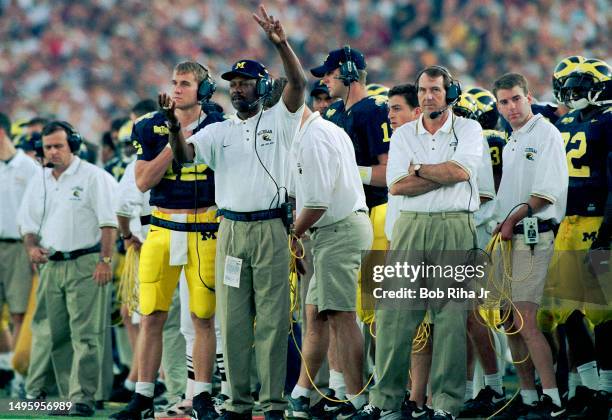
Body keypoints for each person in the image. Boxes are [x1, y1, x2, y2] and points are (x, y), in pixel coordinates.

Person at [167, 6, 306, 419]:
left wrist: (281, 43)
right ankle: (237, 403)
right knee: (233, 323)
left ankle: (273, 403)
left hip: (269, 230)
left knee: (273, 322)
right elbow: (183, 157)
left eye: (246, 83)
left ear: (263, 86)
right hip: (229, 230)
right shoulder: (219, 129)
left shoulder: (280, 119)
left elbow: (297, 82)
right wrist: (174, 130)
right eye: (234, 83)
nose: (238, 89)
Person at [363, 65, 483, 420]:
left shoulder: (469, 128)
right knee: (394, 315)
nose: (428, 96)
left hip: (454, 225)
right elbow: (396, 186)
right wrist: (440, 174)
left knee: (450, 318)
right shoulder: (402, 135)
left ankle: (445, 404)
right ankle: (385, 401)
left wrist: (419, 171)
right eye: (423, 90)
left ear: (450, 92)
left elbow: (461, 172)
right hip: (412, 226)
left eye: (435, 89)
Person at [110, 61, 225, 420]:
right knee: (152, 315)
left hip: (205, 227)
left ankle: (202, 395)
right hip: (162, 227)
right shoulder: (149, 125)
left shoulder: (220, 124)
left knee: (202, 316)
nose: (176, 89)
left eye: (185, 83)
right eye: (174, 82)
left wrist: (184, 134)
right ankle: (143, 394)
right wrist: (175, 137)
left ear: (203, 90)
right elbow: (143, 181)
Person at [18, 121, 118, 417]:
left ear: (73, 145)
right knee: (57, 335)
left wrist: (105, 261)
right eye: (47, 147)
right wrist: (31, 247)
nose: (53, 151)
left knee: (86, 335)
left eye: (58, 145)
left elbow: (108, 223)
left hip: (86, 262)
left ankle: (84, 397)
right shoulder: (40, 180)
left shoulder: (93, 177)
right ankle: (67, 397)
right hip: (51, 264)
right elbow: (27, 223)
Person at [312, 48, 391, 405]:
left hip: (372, 214)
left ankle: (376, 392)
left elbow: (388, 173)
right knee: (335, 310)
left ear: (348, 72)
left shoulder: (373, 111)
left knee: (371, 312)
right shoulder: (333, 113)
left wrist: (346, 175)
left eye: (329, 74)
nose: (325, 81)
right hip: (337, 219)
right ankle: (343, 391)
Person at [285, 105, 373, 419]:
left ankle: (357, 400)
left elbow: (318, 202)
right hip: (329, 232)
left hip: (339, 229)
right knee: (316, 316)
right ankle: (301, 395)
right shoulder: (319, 132)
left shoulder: (314, 138)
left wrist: (291, 234)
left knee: (342, 316)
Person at [489, 73, 568, 419]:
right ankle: (527, 395)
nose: (511, 107)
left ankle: (551, 396)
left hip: (533, 233)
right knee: (509, 319)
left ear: (529, 96)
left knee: (526, 317)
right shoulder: (512, 141)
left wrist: (510, 220)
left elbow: (545, 193)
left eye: (516, 99)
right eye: (504, 101)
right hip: (509, 236)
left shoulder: (546, 132)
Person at [549, 58, 612, 418]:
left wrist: (607, 227)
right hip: (568, 225)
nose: (573, 94)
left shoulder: (607, 120)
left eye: (579, 87)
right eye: (570, 87)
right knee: (564, 308)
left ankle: (606, 389)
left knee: (603, 311)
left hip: (595, 223)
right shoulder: (567, 121)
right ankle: (588, 384)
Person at [0, 112, 39, 392]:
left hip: (17, 245)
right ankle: (6, 364)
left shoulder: (28, 168)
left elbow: (37, 209)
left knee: (18, 312)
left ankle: (20, 376)